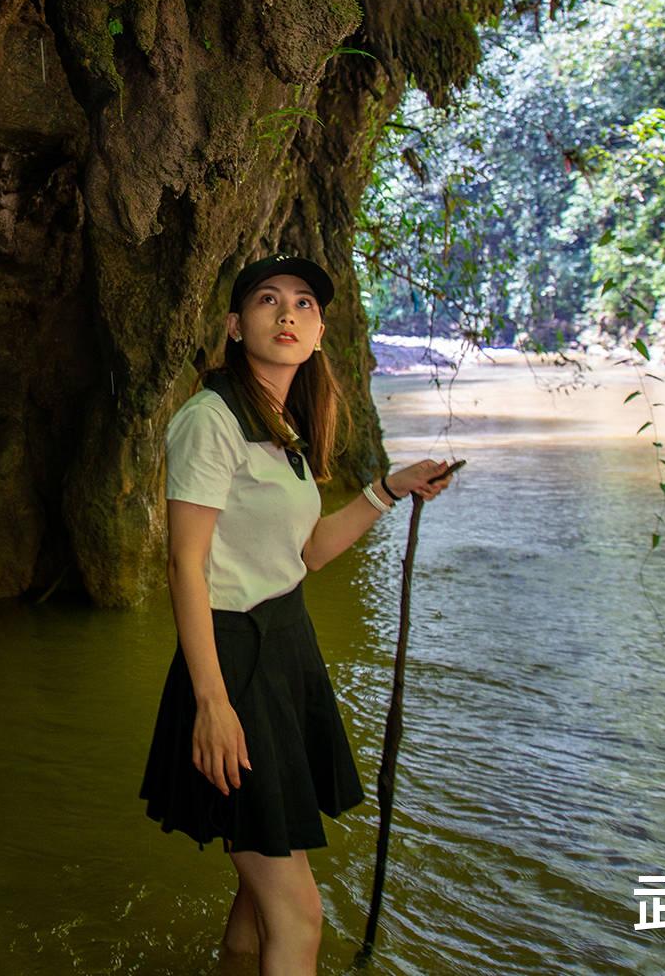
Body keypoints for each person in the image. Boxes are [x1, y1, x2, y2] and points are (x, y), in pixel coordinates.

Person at [136, 250, 454, 973]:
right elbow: (185, 564)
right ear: (234, 325)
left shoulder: (282, 426)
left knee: (258, 898)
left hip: (284, 647)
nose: (287, 313)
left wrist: (389, 489)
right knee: (299, 915)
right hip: (232, 662)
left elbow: (305, 554)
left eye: (304, 303)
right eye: (268, 300)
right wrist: (211, 703)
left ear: (318, 334)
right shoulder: (210, 421)